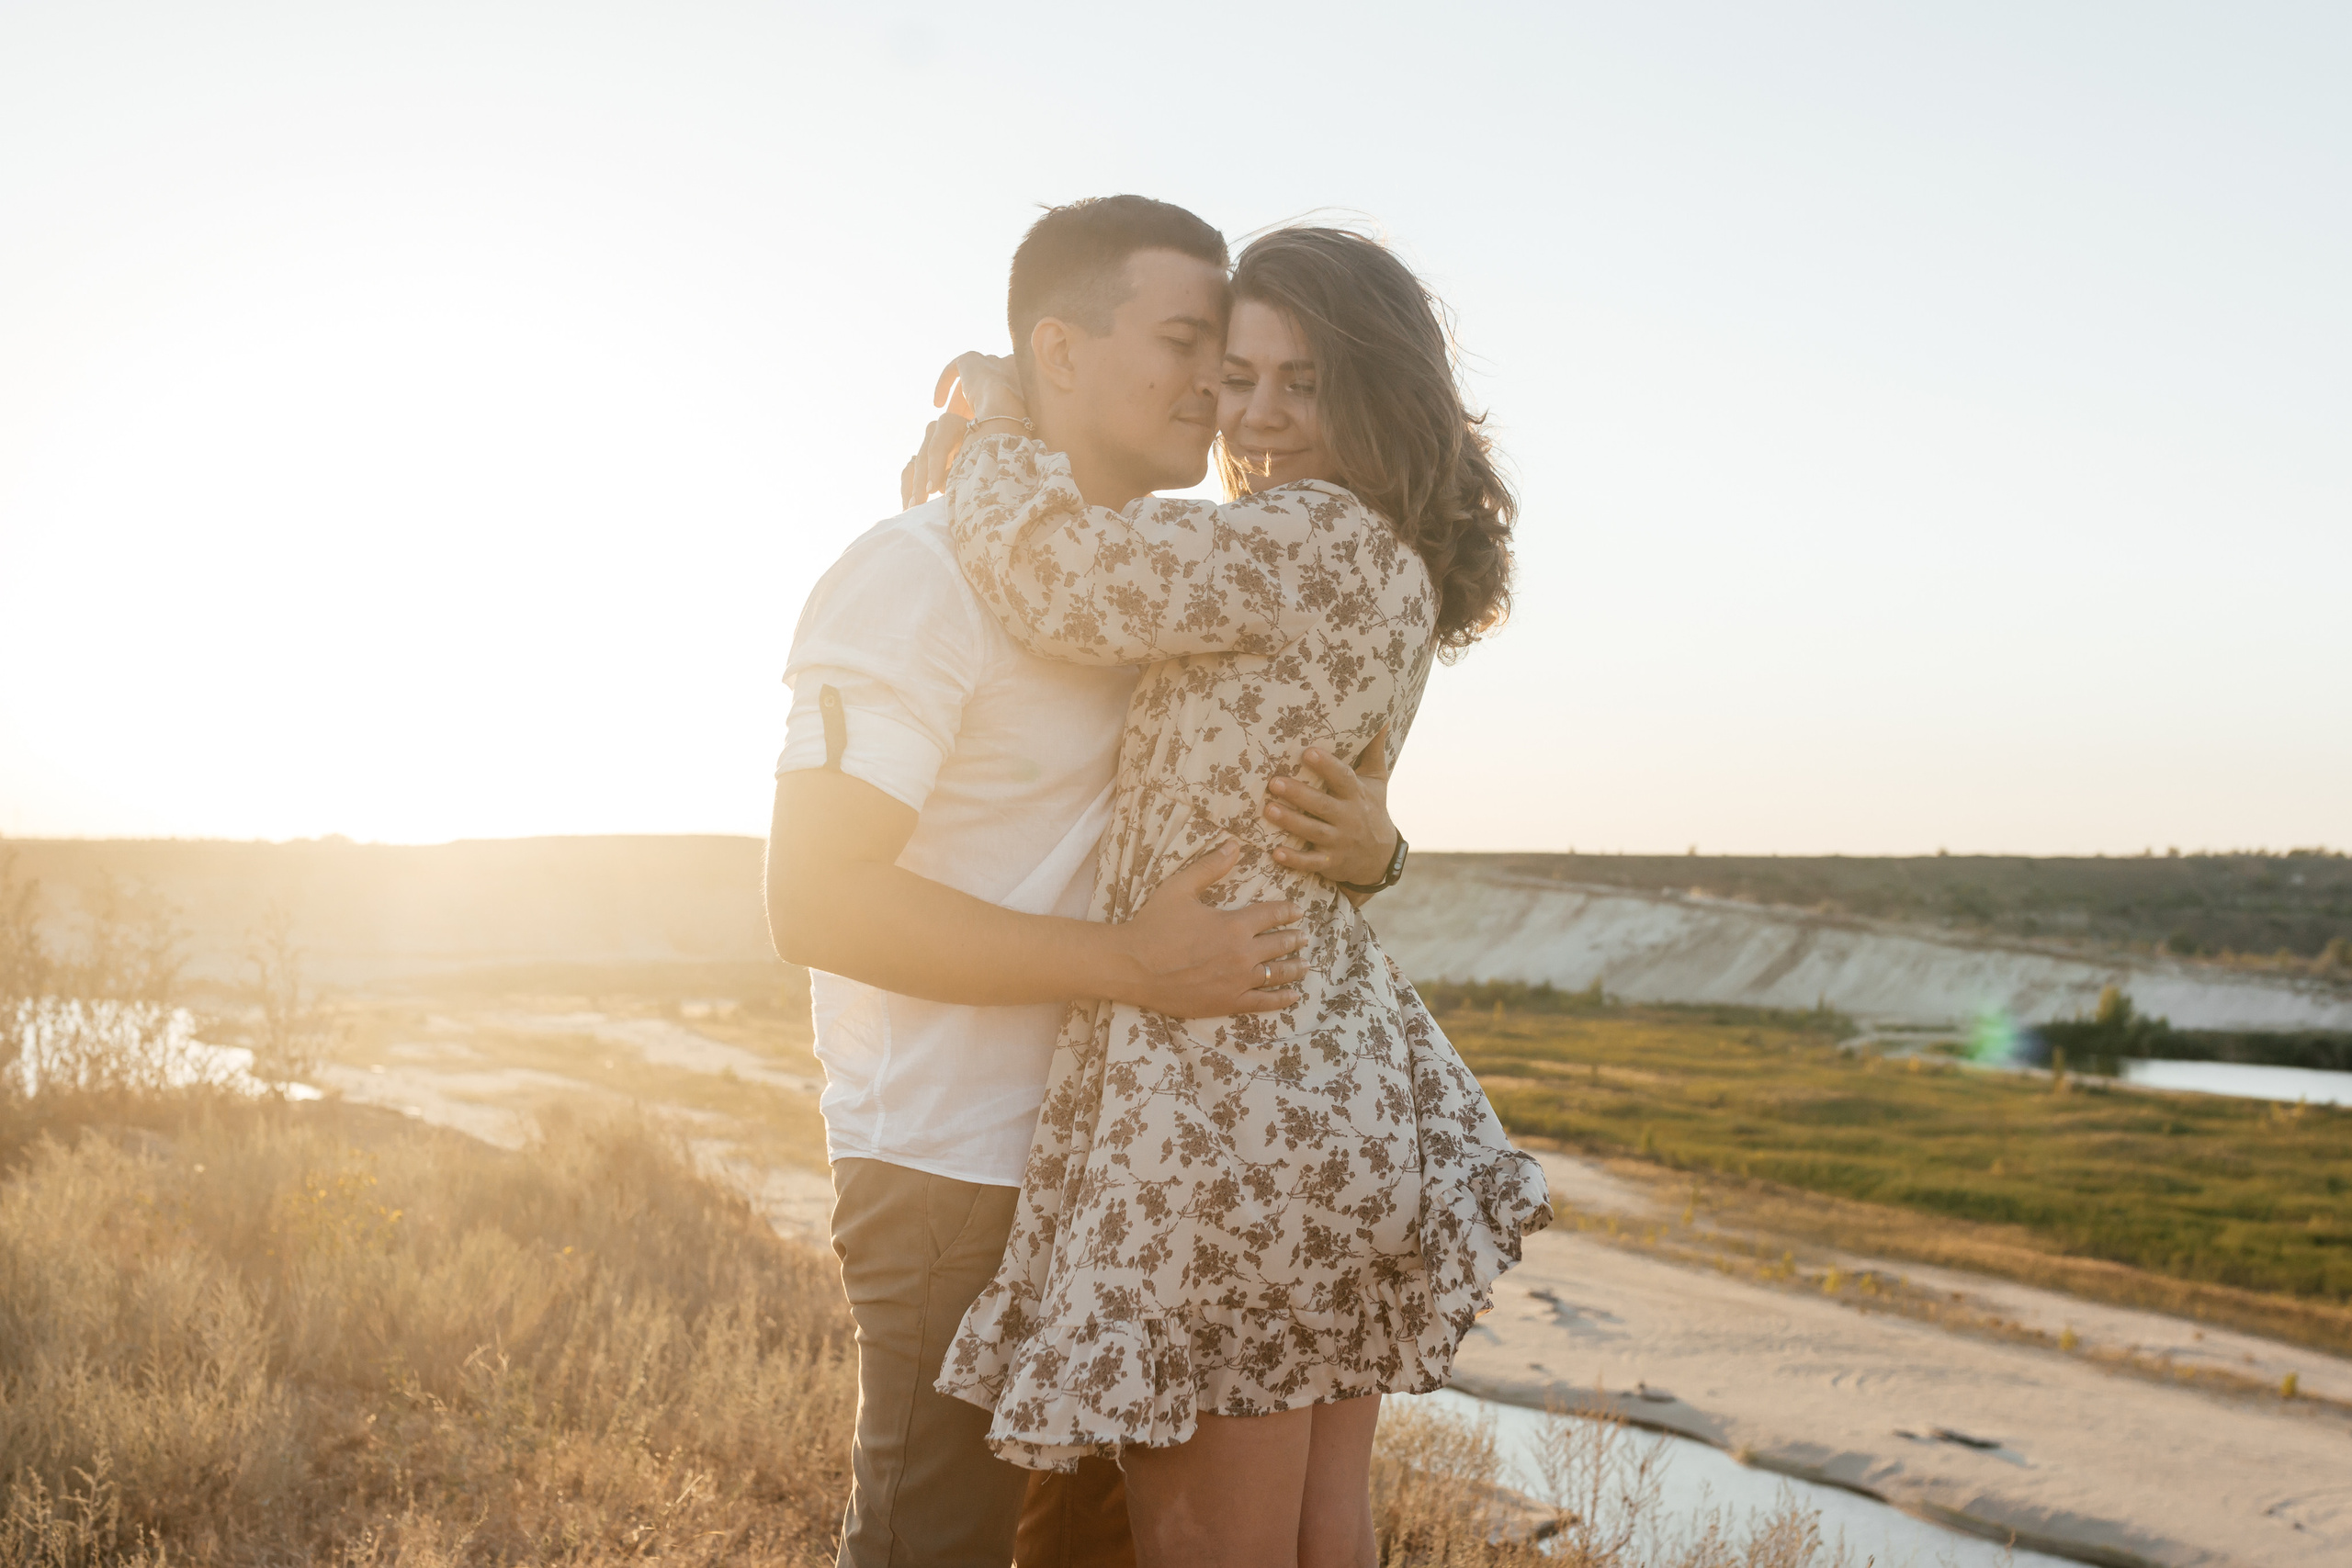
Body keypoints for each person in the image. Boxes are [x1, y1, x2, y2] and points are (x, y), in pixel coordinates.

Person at [765, 197, 1409, 1568]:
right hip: (953, 1170)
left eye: (1232, 357)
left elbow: (1258, 806)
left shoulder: (1166, 584)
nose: (1217, 388)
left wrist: (1381, 848)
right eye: (1188, 344)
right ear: (1058, 353)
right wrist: (1129, 966)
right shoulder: (918, 577)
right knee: (932, 1552)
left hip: (1133, 1172)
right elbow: (815, 901)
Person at [924, 227, 1552, 1568]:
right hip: (1328, 1088)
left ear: (1376, 391)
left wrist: (994, 424)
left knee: (1214, 1543)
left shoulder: (1308, 534)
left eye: (1302, 384)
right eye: (1237, 378)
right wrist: (1383, 856)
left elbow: (1058, 582)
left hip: (1231, 1103)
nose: (1256, 417)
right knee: (1323, 1529)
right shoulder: (1388, 553)